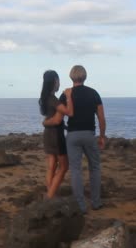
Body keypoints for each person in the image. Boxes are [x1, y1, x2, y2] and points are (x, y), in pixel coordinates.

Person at [47, 65, 106, 213]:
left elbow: (59, 118)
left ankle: (80, 206)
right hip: (89, 134)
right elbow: (101, 118)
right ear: (84, 76)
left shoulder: (65, 94)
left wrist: (46, 122)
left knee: (75, 170)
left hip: (72, 136)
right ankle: (96, 202)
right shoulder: (94, 93)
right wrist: (102, 136)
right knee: (95, 167)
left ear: (71, 77)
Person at [38, 70, 73, 199]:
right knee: (64, 167)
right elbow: (68, 112)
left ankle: (50, 193)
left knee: (51, 166)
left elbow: (53, 118)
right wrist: (68, 96)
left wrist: (64, 125)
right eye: (58, 80)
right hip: (55, 136)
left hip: (48, 135)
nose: (59, 83)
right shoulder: (53, 99)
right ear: (54, 82)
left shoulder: (46, 98)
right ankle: (50, 196)